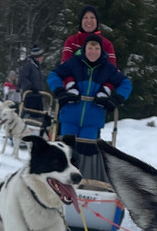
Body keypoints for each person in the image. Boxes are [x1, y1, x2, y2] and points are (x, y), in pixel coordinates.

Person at [47, 33, 132, 182]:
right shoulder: (74, 63)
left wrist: (115, 99)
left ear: (101, 50)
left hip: (92, 120)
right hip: (69, 116)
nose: (93, 51)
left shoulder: (107, 68)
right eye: (90, 48)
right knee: (65, 150)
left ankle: (84, 183)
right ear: (84, 49)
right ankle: (58, 180)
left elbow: (126, 83)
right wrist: (60, 91)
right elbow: (54, 75)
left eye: (97, 48)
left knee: (87, 153)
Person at [18, 45, 49, 134]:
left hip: (37, 95)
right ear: (37, 57)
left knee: (38, 115)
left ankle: (35, 133)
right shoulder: (28, 65)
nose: (42, 58)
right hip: (30, 95)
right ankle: (21, 132)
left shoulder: (37, 66)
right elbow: (23, 77)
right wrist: (31, 87)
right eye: (41, 56)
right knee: (28, 114)